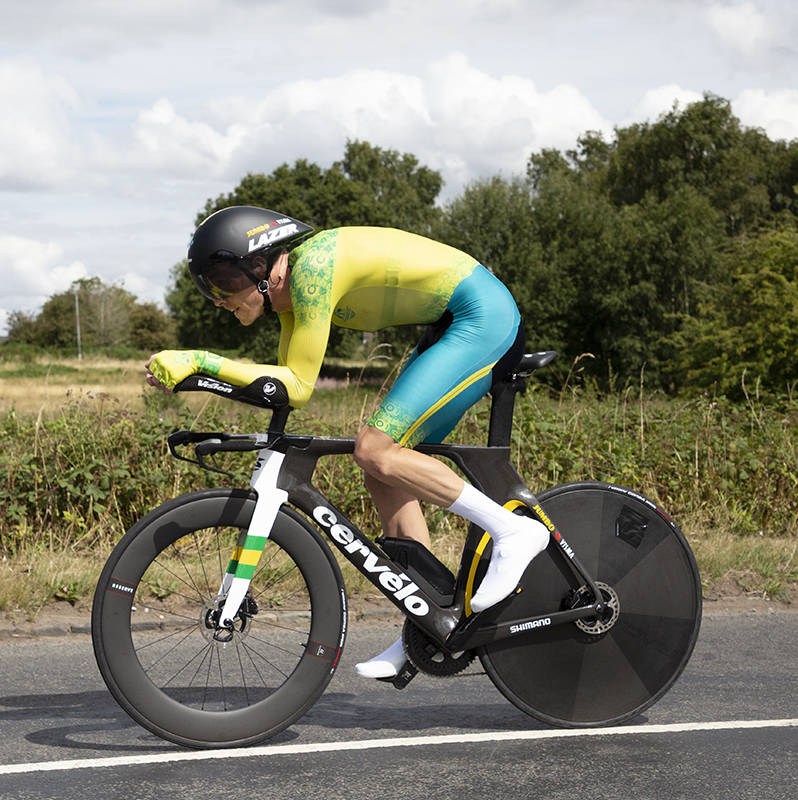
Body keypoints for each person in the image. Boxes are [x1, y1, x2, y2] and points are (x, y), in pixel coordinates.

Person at [146, 206, 548, 680]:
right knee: (383, 464)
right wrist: (198, 377)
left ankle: (514, 531)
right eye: (208, 288)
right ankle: (429, 623)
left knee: (374, 448)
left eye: (222, 281)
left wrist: (202, 361)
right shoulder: (289, 299)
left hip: (481, 315)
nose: (217, 299)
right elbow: (284, 388)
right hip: (450, 324)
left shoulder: (312, 269)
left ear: (257, 265)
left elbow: (296, 385)